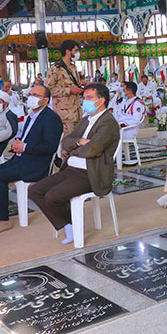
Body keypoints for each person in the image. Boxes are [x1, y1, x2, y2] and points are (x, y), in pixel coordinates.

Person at [29, 83, 119, 245]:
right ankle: (68, 224)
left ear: (101, 100)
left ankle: (72, 225)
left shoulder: (108, 122)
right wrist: (79, 142)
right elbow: (66, 142)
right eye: (84, 98)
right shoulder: (86, 119)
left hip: (90, 173)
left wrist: (77, 148)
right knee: (35, 190)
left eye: (89, 98)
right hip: (71, 169)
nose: (85, 101)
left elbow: (93, 150)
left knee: (53, 196)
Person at [0, 86, 63, 235]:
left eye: (36, 95)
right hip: (20, 159)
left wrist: (25, 147)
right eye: (31, 94)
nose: (31, 97)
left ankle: (3, 220)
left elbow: (50, 146)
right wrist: (18, 145)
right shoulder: (32, 116)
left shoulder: (51, 118)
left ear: (45, 100)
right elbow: (28, 139)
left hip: (36, 165)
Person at [46, 40, 84, 136]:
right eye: (75, 50)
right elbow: (48, 90)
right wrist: (69, 90)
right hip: (64, 115)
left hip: (76, 112)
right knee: (66, 142)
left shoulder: (73, 68)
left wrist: (81, 85)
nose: (77, 53)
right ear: (68, 51)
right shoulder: (55, 69)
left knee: (77, 141)